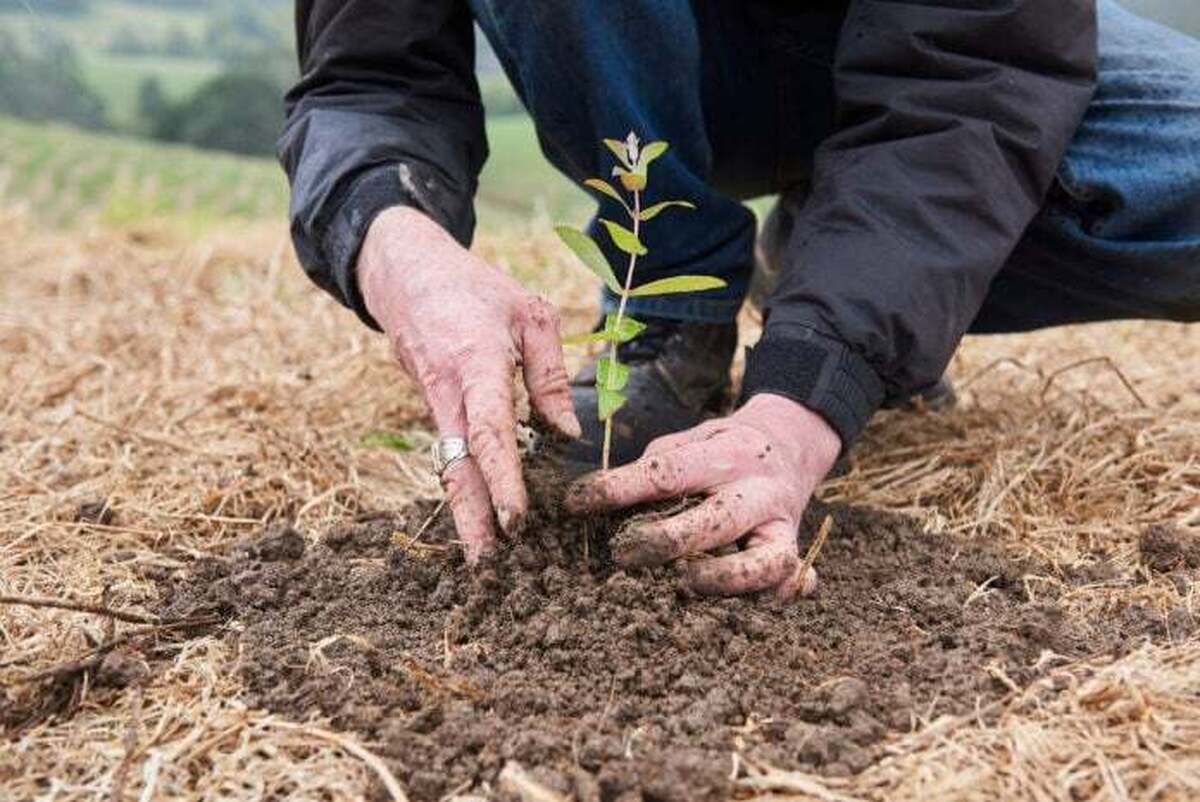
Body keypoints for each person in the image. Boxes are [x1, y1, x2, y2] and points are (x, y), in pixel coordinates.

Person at [280, 1, 1200, 600]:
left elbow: (979, 77)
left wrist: (810, 389)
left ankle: (834, 251)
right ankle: (676, 308)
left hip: (931, 50)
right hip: (640, 61)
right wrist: (403, 250)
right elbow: (367, 77)